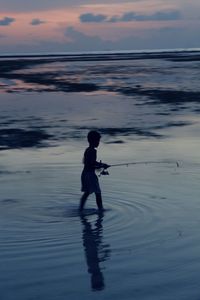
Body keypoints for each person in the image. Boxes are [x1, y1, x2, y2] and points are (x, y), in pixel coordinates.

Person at [79, 130, 109, 211]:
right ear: (94, 141)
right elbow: (92, 163)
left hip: (85, 174)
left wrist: (100, 165)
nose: (99, 142)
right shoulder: (93, 150)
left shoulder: (87, 149)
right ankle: (101, 209)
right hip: (90, 175)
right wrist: (102, 165)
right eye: (98, 140)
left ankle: (80, 209)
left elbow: (86, 162)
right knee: (98, 192)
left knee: (87, 193)